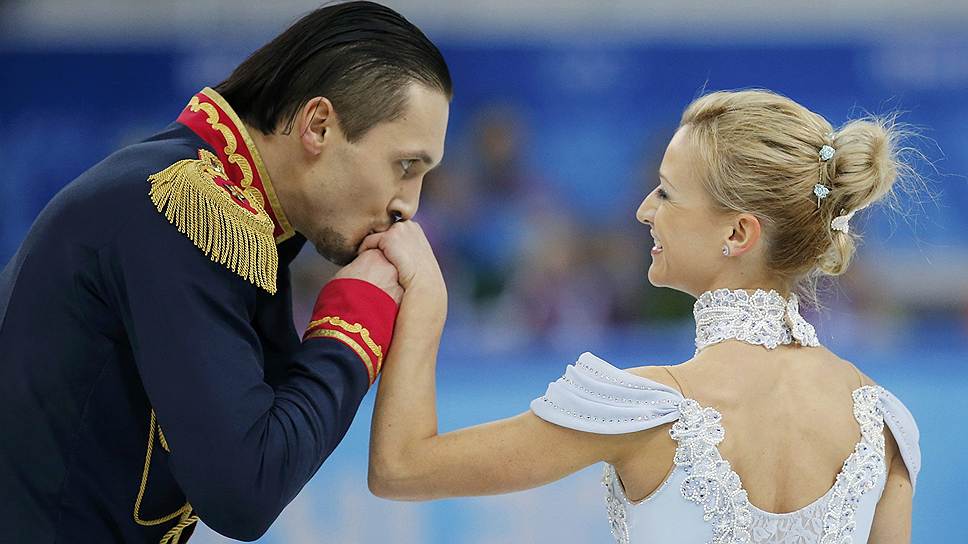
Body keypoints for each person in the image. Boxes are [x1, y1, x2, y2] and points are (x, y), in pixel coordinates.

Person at [365, 90, 920, 543]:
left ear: (737, 233)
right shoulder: (883, 422)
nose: (643, 210)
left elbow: (402, 467)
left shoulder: (648, 408)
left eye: (667, 193)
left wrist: (425, 302)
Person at [0, 2, 449, 542]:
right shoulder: (184, 208)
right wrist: (354, 323)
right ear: (319, 125)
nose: (408, 205)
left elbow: (271, 447)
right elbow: (246, 492)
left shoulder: (236, 215)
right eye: (406, 166)